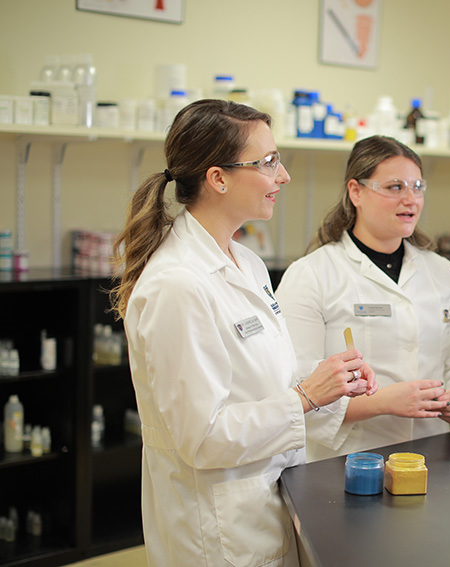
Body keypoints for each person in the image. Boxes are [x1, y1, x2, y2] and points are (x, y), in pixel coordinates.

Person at [110, 99, 377, 566]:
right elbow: (203, 436)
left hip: (267, 501)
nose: (284, 176)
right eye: (269, 162)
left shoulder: (246, 261)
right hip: (216, 529)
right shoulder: (178, 284)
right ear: (218, 178)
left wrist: (329, 380)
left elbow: (262, 375)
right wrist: (305, 397)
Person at [276, 135, 450, 461]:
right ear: (356, 191)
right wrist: (382, 402)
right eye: (395, 187)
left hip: (432, 457)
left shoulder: (443, 272)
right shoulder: (311, 274)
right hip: (345, 461)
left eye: (418, 187)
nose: (411, 199)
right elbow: (296, 388)